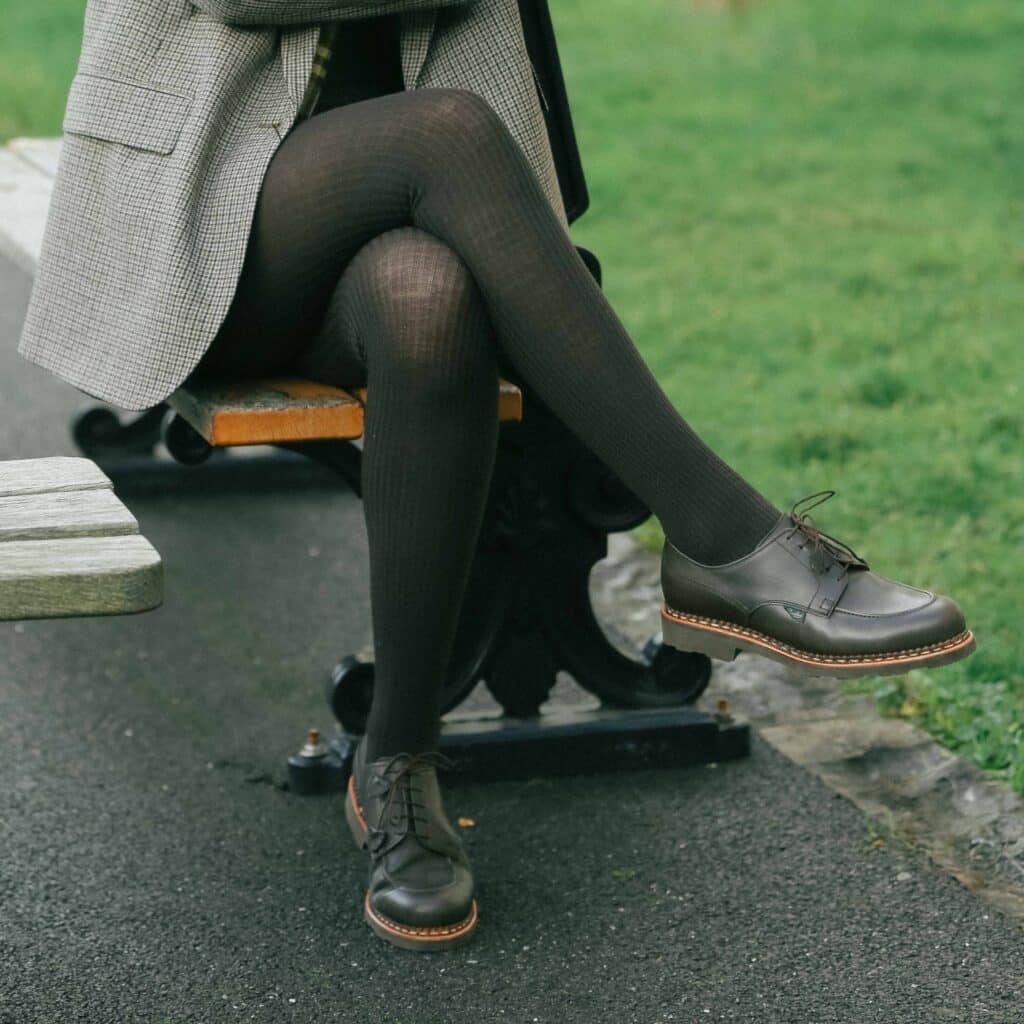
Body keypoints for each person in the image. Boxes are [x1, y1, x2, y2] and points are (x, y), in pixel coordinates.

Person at [17, 0, 975, 952]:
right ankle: (724, 538)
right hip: (209, 222)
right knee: (449, 129)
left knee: (426, 303)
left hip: (398, 222)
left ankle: (395, 762)